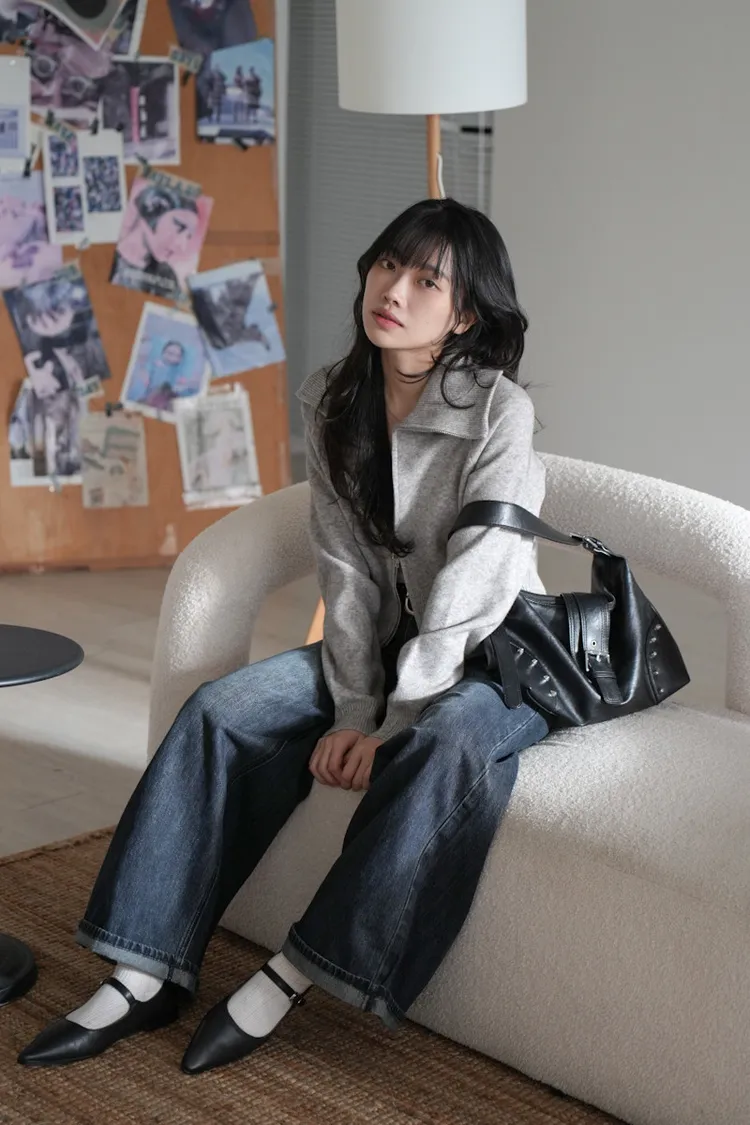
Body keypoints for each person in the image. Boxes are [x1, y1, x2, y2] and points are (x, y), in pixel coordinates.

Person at [18, 197, 552, 1075]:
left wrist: (389, 724)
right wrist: (351, 705)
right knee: (221, 711)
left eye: (427, 281)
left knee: (444, 742)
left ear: (464, 314)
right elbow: (344, 569)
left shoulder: (500, 410)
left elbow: (474, 585)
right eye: (389, 265)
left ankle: (290, 974)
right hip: (385, 640)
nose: (394, 290)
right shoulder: (335, 398)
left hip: (495, 653)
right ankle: (142, 973)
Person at [110, 182, 200, 299]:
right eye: (179, 227)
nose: (181, 246)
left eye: (188, 236)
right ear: (153, 210)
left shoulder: (168, 279)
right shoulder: (107, 257)